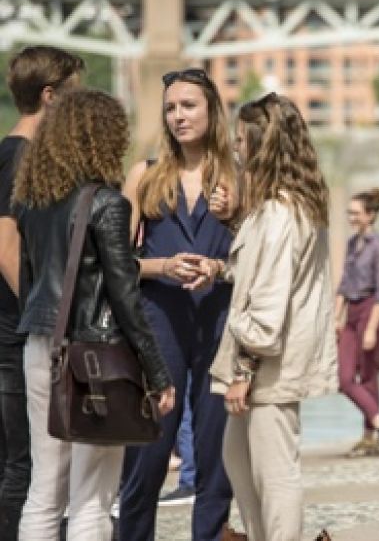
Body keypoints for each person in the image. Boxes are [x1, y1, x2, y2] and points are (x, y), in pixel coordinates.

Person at [13, 88, 176, 540]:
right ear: (103, 138)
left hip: (39, 345)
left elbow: (29, 282)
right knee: (92, 496)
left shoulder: (32, 201)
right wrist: (157, 372)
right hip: (94, 358)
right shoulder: (106, 204)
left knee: (44, 490)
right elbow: (124, 295)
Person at [202, 92, 338, 541]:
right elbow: (260, 276)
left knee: (275, 474)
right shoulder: (285, 206)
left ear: (261, 147)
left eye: (242, 140)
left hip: (268, 368)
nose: (236, 149)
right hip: (269, 362)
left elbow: (268, 307)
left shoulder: (281, 211)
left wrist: (243, 371)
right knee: (239, 462)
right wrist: (222, 263)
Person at [118, 68, 239, 541]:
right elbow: (117, 263)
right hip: (158, 325)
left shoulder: (239, 177)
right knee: (147, 453)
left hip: (219, 325)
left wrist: (236, 218)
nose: (178, 116)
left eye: (188, 106)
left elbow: (261, 259)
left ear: (212, 111)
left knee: (215, 459)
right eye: (171, 108)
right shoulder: (144, 176)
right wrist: (163, 266)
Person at [0, 45, 85, 536]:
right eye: (73, 96)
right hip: (16, 334)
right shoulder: (19, 158)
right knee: (23, 466)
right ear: (50, 97)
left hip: (17, 329)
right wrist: (45, 320)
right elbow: (7, 246)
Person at [334, 188, 379, 457]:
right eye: (349, 212)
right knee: (344, 377)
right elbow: (344, 282)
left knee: (370, 377)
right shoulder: (353, 243)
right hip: (352, 313)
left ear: (370, 215)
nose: (350, 217)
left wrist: (372, 329)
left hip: (373, 313)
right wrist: (335, 317)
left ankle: (369, 437)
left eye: (355, 213)